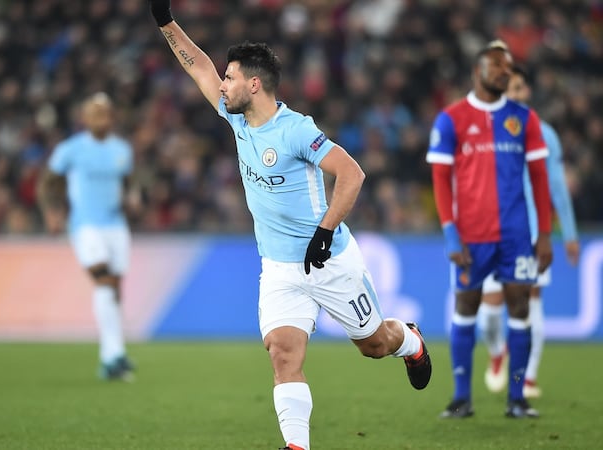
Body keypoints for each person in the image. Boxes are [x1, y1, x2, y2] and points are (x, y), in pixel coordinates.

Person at [147, 2, 431, 449]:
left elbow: (352, 173)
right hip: (279, 268)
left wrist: (325, 231)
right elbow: (198, 66)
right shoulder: (235, 116)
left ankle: (410, 342)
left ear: (254, 84)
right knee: (282, 354)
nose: (222, 84)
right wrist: (165, 22)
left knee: (374, 344)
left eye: (230, 77)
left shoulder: (296, 130)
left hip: (328, 261)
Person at [427, 40, 553, 419]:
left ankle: (517, 398)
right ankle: (461, 397)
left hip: (516, 235)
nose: (504, 72)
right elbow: (440, 180)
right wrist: (451, 233)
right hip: (471, 237)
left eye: (508, 67)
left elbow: (540, 178)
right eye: (496, 66)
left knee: (520, 308)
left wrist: (545, 234)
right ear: (477, 71)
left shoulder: (524, 118)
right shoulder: (451, 118)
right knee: (466, 307)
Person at [478, 65, 580, 399]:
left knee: (531, 302)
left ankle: (528, 378)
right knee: (489, 313)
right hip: (491, 231)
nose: (515, 94)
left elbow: (557, 187)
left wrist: (569, 234)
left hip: (531, 232)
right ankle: (498, 352)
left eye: (520, 88)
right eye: (509, 88)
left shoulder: (544, 134)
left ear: (527, 92)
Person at [38, 92, 137, 381]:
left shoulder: (121, 150)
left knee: (114, 287)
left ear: (111, 117)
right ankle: (112, 355)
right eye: (94, 113)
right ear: (85, 118)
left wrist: (134, 198)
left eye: (104, 113)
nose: (100, 119)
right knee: (103, 280)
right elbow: (47, 184)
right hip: (85, 225)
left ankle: (114, 356)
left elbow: (129, 182)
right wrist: (51, 213)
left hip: (115, 225)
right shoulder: (71, 149)